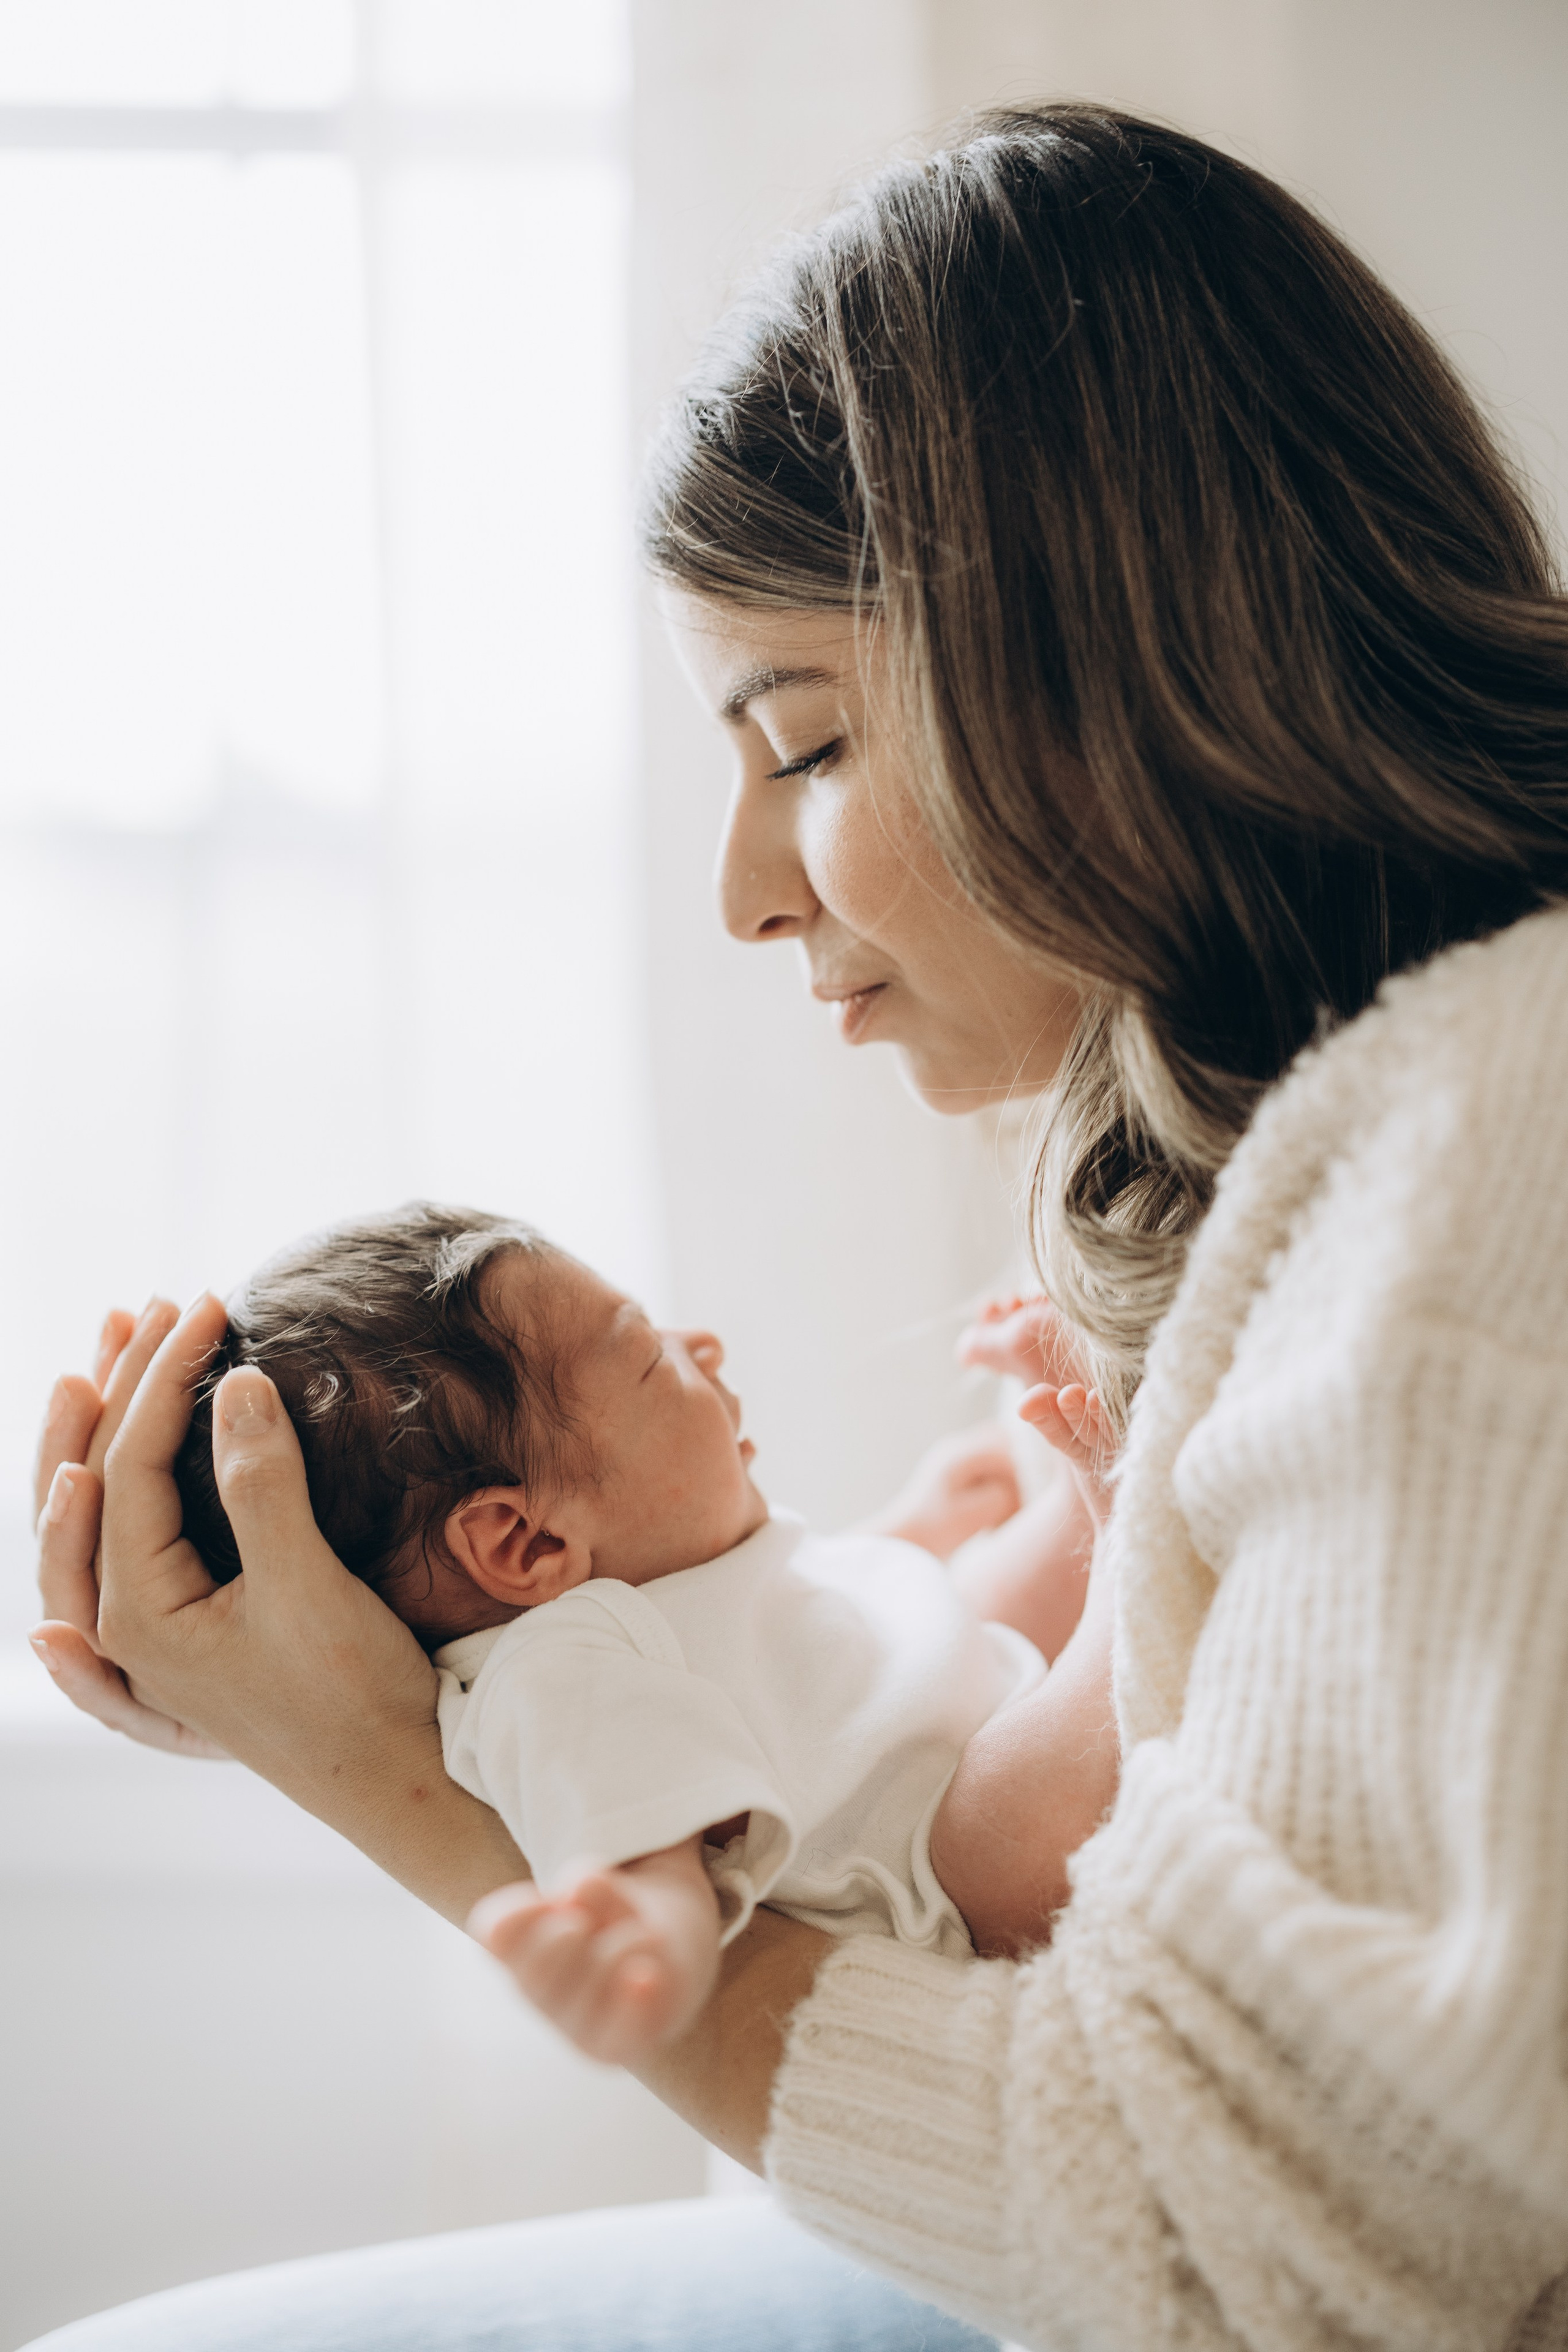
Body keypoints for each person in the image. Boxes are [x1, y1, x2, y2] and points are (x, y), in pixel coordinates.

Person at [27, 101, 1568, 2352]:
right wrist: (391, 1691)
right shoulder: (1388, 1139)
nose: (749, 891)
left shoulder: (1472, 1192)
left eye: (808, 742)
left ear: (1089, 653)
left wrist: (401, 1793)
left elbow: (1265, 2264)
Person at [168, 1201, 1102, 2060]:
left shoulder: (654, 1588)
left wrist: (918, 1523)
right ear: (527, 1542)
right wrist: (642, 1937)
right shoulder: (557, 1672)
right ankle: (1123, 1534)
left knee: (956, 1600)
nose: (702, 1344)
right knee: (1031, 1725)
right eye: (651, 1358)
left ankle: (1083, 1505)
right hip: (951, 1875)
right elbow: (635, 1837)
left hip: (942, 1732)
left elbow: (805, 1635)